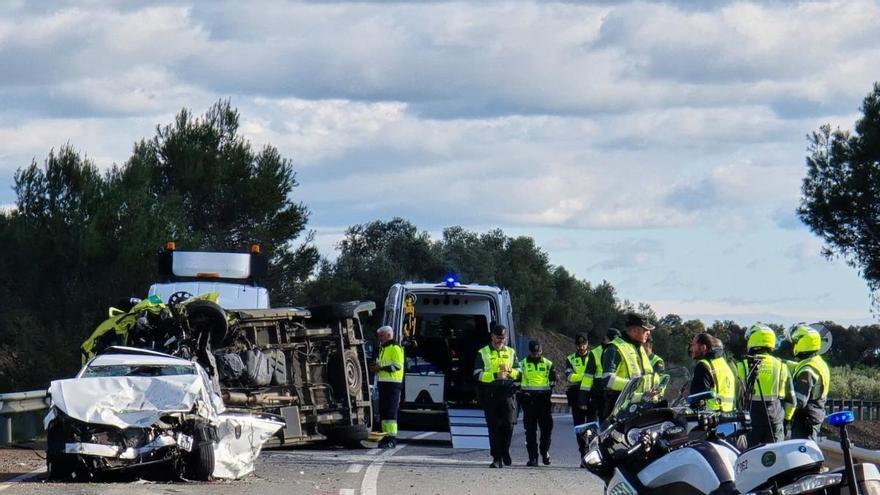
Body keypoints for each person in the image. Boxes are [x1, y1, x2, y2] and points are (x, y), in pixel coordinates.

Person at [735, 324, 795, 446]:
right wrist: (787, 420)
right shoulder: (781, 366)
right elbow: (792, 400)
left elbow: (737, 397)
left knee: (749, 456)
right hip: (774, 421)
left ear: (753, 340)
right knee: (775, 456)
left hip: (749, 422)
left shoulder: (742, 366)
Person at [473, 323, 521, 468]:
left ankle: (505, 450)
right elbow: (477, 374)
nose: (500, 340)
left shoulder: (511, 352)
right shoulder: (483, 352)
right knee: (493, 427)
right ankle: (496, 458)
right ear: (492, 336)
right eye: (498, 337)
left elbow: (520, 372)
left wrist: (510, 371)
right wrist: (495, 375)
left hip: (507, 393)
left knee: (509, 424)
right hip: (491, 393)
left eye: (503, 338)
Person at [601, 314, 655, 419]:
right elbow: (607, 379)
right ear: (634, 331)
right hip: (619, 408)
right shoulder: (614, 348)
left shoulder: (638, 347)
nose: (649, 333)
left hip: (639, 405)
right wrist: (633, 385)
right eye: (646, 330)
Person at [789, 325, 830, 441]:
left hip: (805, 421)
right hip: (815, 414)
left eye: (796, 342)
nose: (794, 345)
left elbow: (799, 401)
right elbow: (798, 366)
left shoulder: (807, 371)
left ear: (803, 342)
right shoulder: (818, 362)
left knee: (801, 451)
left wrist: (782, 409)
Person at [518, 340, 556, 466]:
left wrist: (546, 393)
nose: (536, 354)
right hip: (529, 401)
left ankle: (544, 452)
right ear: (529, 351)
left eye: (538, 352)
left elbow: (553, 382)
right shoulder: (522, 364)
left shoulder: (548, 364)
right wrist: (522, 396)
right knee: (530, 431)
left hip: (543, 401)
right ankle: (533, 458)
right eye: (534, 352)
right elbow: (517, 382)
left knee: (547, 429)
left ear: (541, 351)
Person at [370, 325, 404, 448]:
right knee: (384, 413)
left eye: (381, 336)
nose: (379, 338)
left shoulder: (395, 348)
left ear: (389, 335)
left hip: (393, 385)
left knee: (390, 413)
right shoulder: (383, 349)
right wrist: (375, 367)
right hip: (384, 384)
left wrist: (380, 367)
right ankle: (385, 438)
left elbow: (397, 366)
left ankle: (391, 440)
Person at [578, 328, 620, 424]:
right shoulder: (595, 352)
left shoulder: (622, 351)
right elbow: (588, 377)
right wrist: (583, 399)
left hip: (614, 393)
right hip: (598, 392)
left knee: (609, 424)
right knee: (592, 422)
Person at [687, 333, 735, 412]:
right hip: (728, 414)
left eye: (693, 345)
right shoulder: (724, 364)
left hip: (710, 415)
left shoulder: (703, 365)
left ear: (703, 347)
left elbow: (697, 398)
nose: (691, 349)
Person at [565, 333, 591, 462]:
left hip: (591, 394)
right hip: (576, 394)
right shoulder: (570, 359)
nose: (581, 347)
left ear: (587, 344)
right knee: (579, 426)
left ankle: (593, 453)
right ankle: (583, 454)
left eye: (583, 344)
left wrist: (580, 377)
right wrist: (586, 376)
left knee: (592, 425)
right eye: (579, 345)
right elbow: (570, 377)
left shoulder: (594, 357)